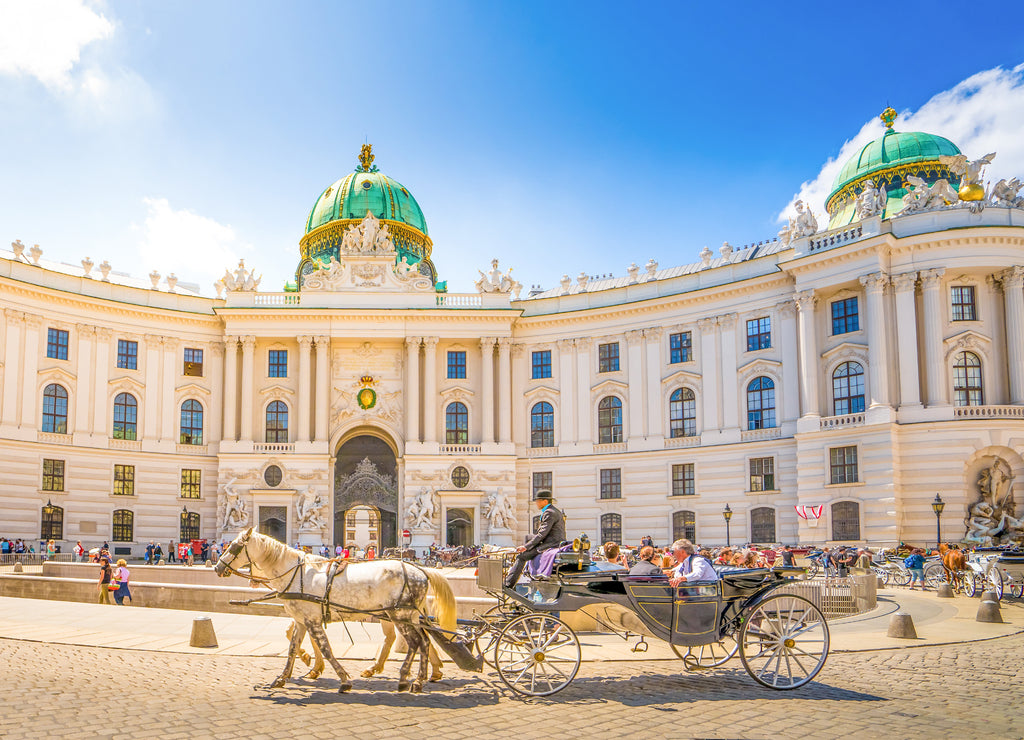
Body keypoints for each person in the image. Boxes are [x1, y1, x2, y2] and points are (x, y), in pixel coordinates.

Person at [503, 490, 566, 589]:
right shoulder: (553, 511)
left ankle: (508, 584)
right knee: (528, 538)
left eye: (537, 501)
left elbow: (542, 534)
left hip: (551, 543)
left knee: (522, 556)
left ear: (545, 501)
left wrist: (525, 547)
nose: (536, 503)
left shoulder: (549, 512)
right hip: (552, 541)